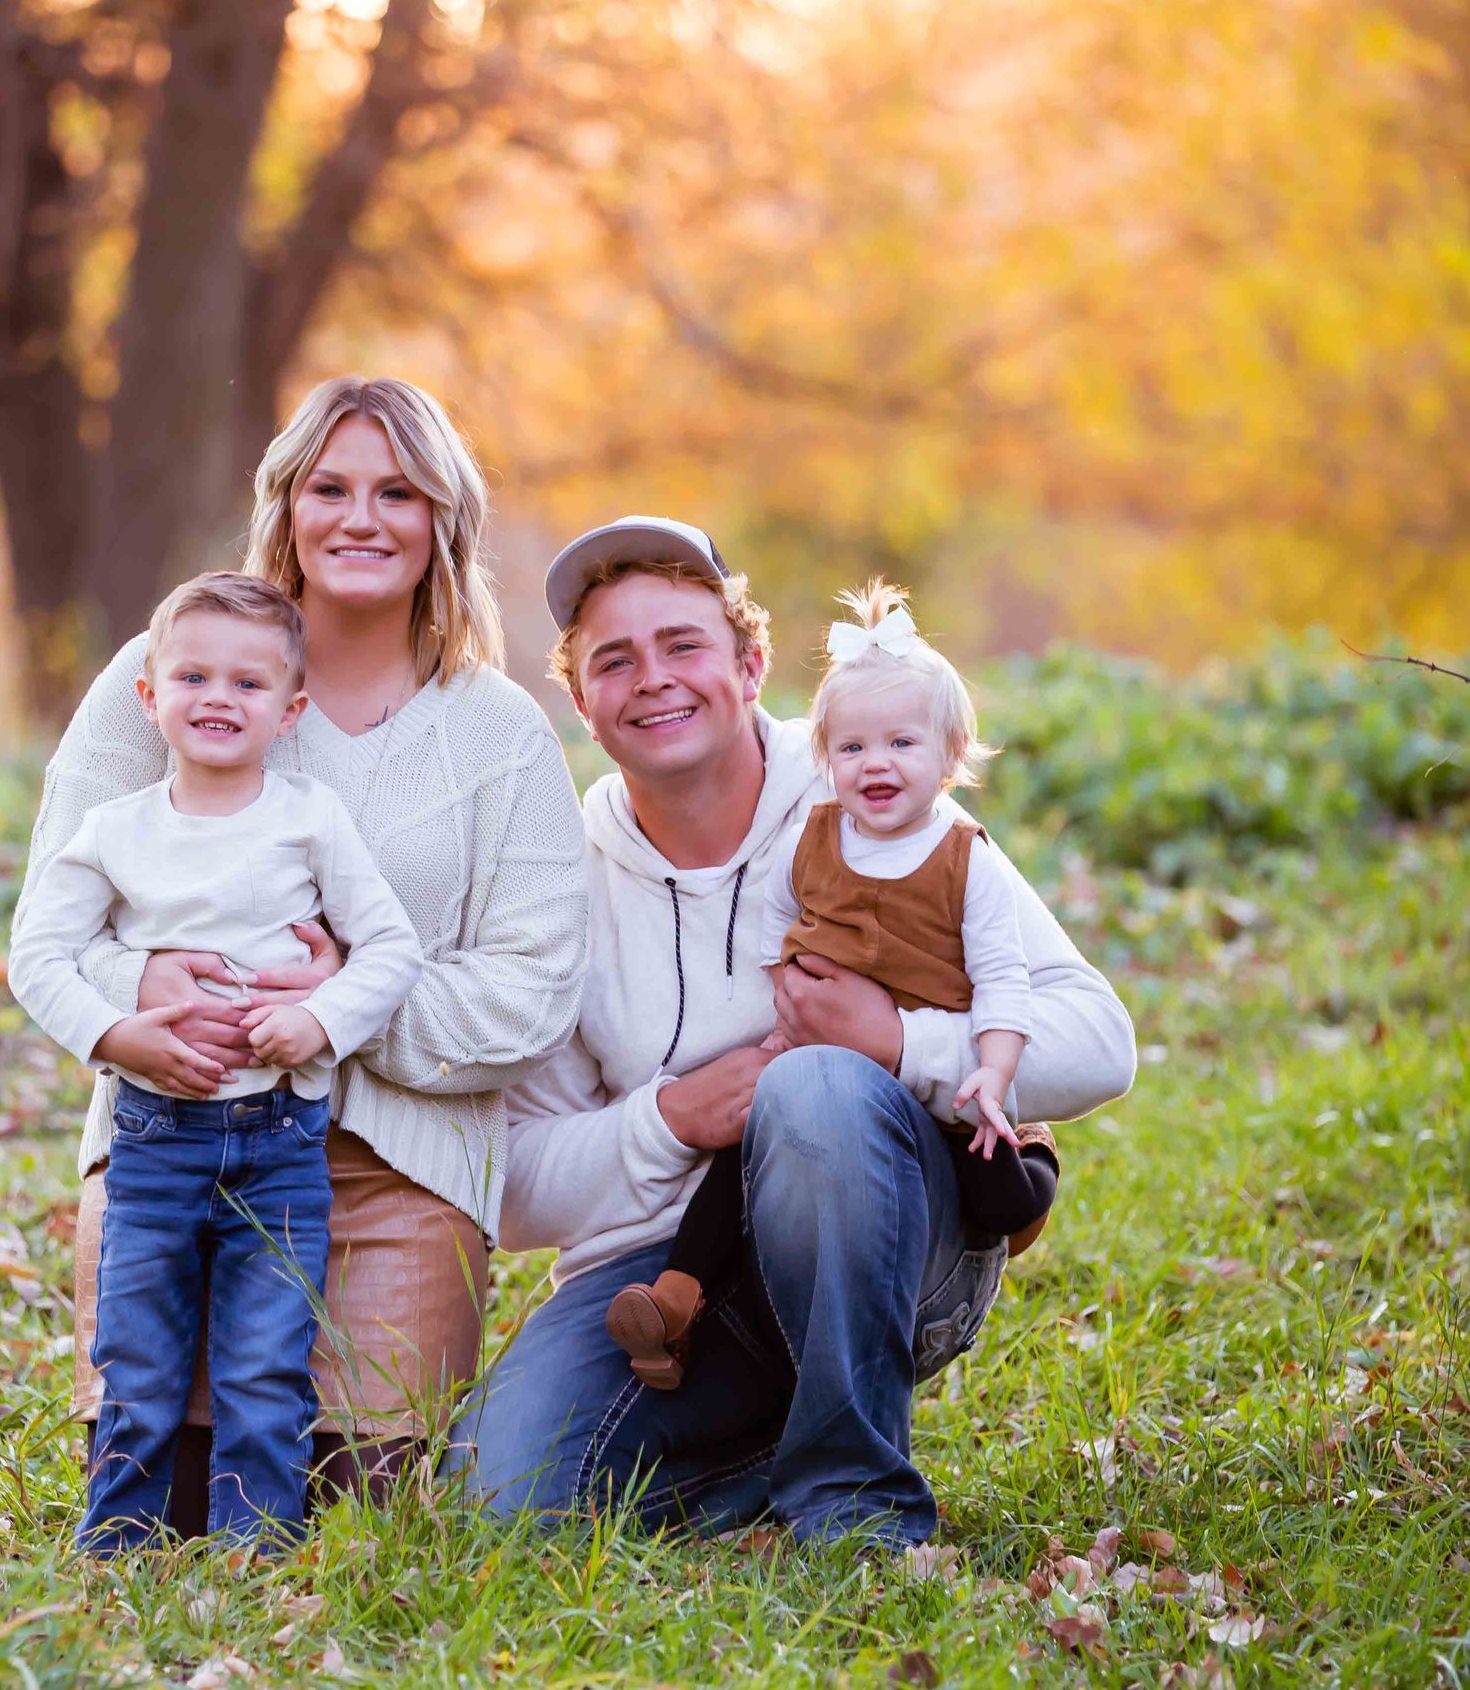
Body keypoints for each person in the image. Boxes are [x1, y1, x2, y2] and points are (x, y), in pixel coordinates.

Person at [453, 518, 1136, 1552]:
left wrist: (899, 1042)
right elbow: (516, 1185)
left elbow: (1100, 1040)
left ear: (751, 662)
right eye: (614, 660)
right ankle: (769, 1458)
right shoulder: (557, 871)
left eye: (684, 644)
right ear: (581, 701)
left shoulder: (869, 798)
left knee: (813, 1088)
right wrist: (671, 1118)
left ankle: (854, 1504)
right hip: (662, 1283)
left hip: (890, 1239)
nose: (654, 680)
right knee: (502, 1502)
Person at [13, 378, 588, 1532]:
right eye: (331, 487)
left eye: (398, 491)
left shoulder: (499, 732)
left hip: (397, 1166)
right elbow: (55, 923)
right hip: (173, 1135)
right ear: (287, 503)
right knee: (159, 1498)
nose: (361, 517)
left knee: (345, 1509)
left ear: (443, 520)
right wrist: (150, 991)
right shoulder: (173, 670)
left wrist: (341, 1005)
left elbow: (533, 995)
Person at [10, 572, 421, 1549]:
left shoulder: (310, 818)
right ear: (150, 697)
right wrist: (117, 1034)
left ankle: (253, 1551)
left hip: (280, 1144)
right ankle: (118, 1545)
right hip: (153, 1142)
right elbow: (37, 955)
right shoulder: (117, 833)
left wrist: (320, 1020)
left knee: (265, 1363)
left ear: (291, 711)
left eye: (248, 682)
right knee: (139, 1360)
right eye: (192, 675)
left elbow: (390, 950)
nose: (218, 698)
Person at [604, 574, 1059, 1389]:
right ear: (827, 755)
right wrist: (784, 996)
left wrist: (958, 1060)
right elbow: (782, 913)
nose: (874, 764)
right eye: (851, 748)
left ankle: (1035, 1174)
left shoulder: (961, 852)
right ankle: (674, 1301)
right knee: (749, 1146)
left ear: (952, 755)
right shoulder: (814, 836)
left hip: (931, 1112)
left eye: (901, 745)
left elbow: (1007, 978)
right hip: (797, 1108)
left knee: (994, 1190)